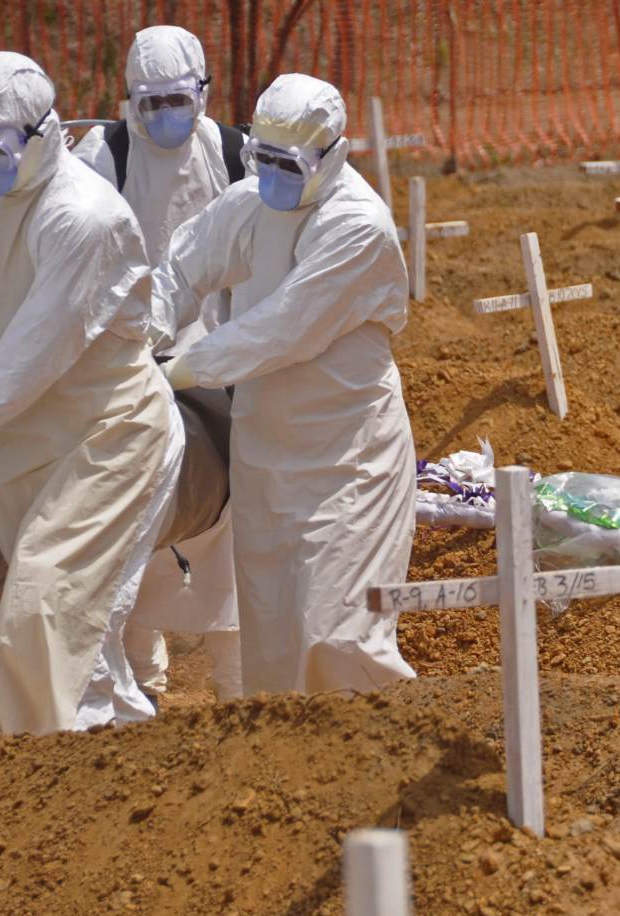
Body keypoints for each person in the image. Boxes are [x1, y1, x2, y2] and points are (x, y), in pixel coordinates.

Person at [0, 51, 183, 733]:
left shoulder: (81, 216)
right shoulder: (10, 192)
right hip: (36, 443)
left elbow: (28, 357)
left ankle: (62, 794)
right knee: (82, 643)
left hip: (108, 440)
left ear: (40, 134)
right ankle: (123, 771)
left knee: (41, 616)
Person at [153, 73, 416, 696]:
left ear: (333, 154)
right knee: (271, 650)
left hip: (347, 460)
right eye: (260, 157)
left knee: (339, 638)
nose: (271, 175)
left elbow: (284, 329)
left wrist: (177, 372)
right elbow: (181, 268)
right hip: (265, 456)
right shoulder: (251, 205)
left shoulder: (358, 225)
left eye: (287, 163)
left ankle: (373, 776)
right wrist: (137, 341)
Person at [72, 24, 243, 702]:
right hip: (132, 367)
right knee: (135, 522)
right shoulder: (103, 157)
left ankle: (237, 687)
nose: (163, 116)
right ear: (128, 102)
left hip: (222, 367)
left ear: (202, 92)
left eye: (177, 99)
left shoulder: (231, 153)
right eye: (149, 103)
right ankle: (148, 683)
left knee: (232, 524)